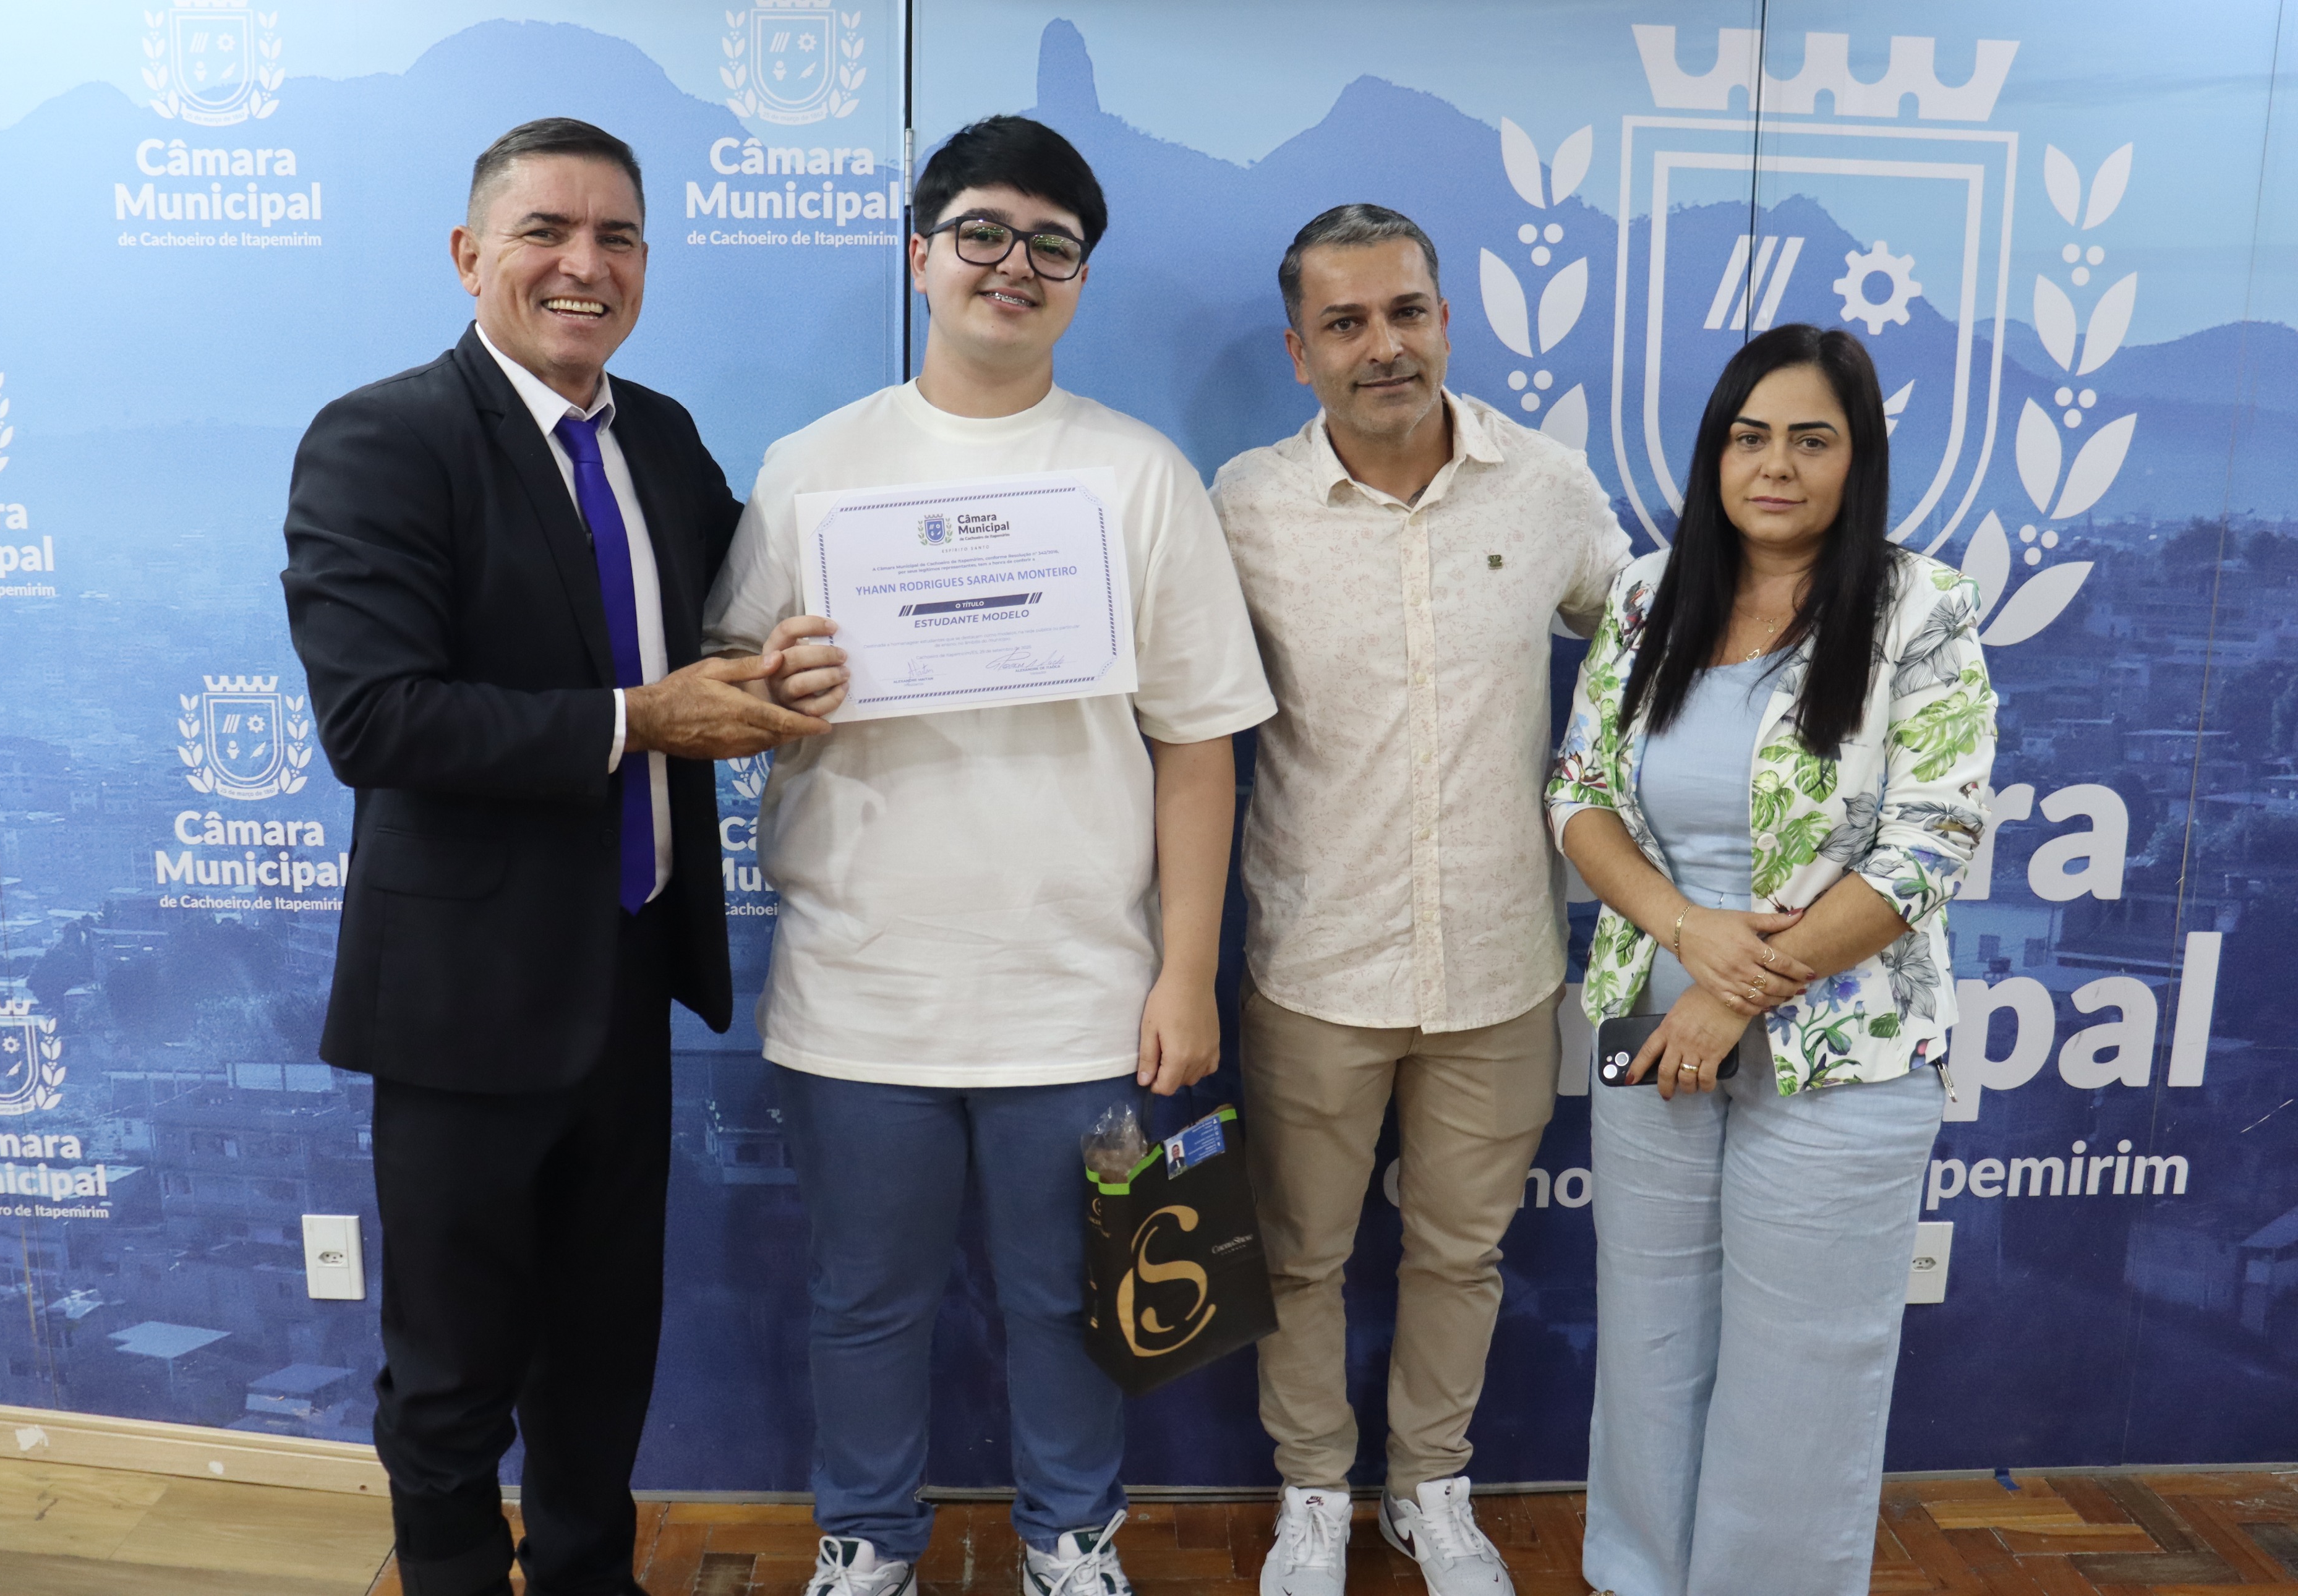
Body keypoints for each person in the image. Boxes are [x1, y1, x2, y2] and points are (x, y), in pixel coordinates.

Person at [702, 116, 1275, 1596]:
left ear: (1080, 279)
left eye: (1051, 246)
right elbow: (724, 692)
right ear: (921, 254)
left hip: (1083, 999)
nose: (1012, 265)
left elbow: (1197, 745)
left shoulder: (1138, 475)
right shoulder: (813, 467)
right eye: (980, 233)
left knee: (1081, 1296)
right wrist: (774, 678)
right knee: (863, 1301)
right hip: (859, 991)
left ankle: (1071, 1541)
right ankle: (865, 1541)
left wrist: (1186, 970)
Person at [282, 118, 831, 1596]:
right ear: (472, 255)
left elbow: (732, 623)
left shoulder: (659, 436)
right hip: (461, 1001)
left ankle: (591, 1575)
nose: (584, 264)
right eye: (547, 231)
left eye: (617, 237)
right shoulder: (383, 439)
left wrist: (798, 659)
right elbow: (376, 717)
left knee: (602, 1346)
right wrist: (641, 719)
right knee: (453, 1366)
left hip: (628, 981)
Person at [1211, 204, 1628, 1596]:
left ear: (1446, 320)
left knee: (1461, 1253)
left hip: (1502, 962)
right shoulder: (1243, 507)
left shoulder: (1547, 487)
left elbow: (1643, 656)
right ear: (1300, 353)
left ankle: (1429, 1490)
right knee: (1298, 1256)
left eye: (1405, 312)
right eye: (1344, 323)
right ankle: (1313, 1494)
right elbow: (1181, 715)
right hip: (1315, 962)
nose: (1381, 346)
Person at [1547, 323, 1997, 1596]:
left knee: (1803, 1364)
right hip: (1654, 1024)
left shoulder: (1921, 607)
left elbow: (1930, 841)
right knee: (1650, 1334)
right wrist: (1687, 938)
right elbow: (1578, 791)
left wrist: (1730, 997)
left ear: (1858, 461)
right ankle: (1639, 1576)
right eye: (1750, 437)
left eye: (1812, 440)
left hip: (1842, 1047)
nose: (1776, 466)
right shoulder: (1649, 595)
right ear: (1716, 453)